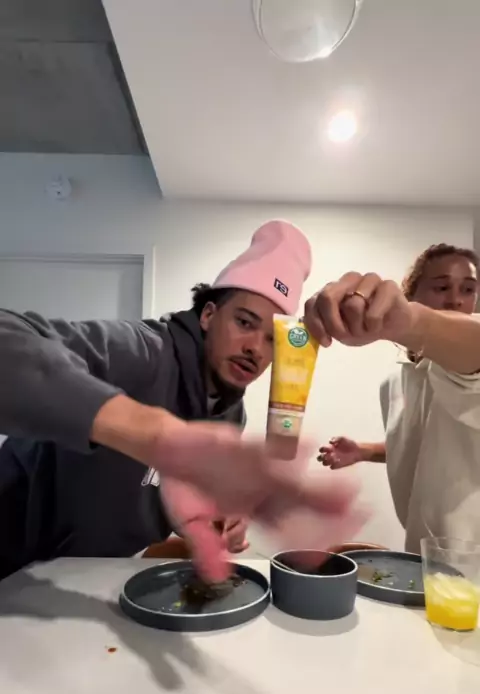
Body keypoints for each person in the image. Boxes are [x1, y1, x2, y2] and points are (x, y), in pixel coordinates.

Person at [0, 220, 361, 583]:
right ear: (208, 315)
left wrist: (217, 518)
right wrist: (155, 433)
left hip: (84, 581)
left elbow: (170, 496)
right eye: (244, 322)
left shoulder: (231, 415)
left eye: (272, 340)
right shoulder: (141, 351)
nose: (255, 347)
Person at [304, 256, 480, 552]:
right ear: (411, 293)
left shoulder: (470, 358)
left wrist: (412, 322)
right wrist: (365, 451)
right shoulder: (396, 379)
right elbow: (427, 446)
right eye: (441, 288)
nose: (456, 300)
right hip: (424, 552)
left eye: (468, 289)